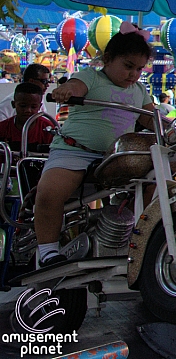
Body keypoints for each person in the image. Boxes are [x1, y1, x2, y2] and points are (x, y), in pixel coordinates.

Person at [37, 24, 157, 267]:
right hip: (75, 150)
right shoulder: (91, 77)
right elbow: (76, 87)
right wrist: (66, 90)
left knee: (156, 179)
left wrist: (174, 127)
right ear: (108, 59)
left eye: (139, 69)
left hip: (116, 158)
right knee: (50, 192)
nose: (133, 74)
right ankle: (47, 250)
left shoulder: (139, 90)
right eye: (128, 66)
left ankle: (139, 234)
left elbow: (151, 119)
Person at [0, 82, 54, 153]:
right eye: (23, 106)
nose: (28, 110)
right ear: (13, 105)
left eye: (33, 107)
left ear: (40, 107)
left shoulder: (48, 129)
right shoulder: (2, 128)